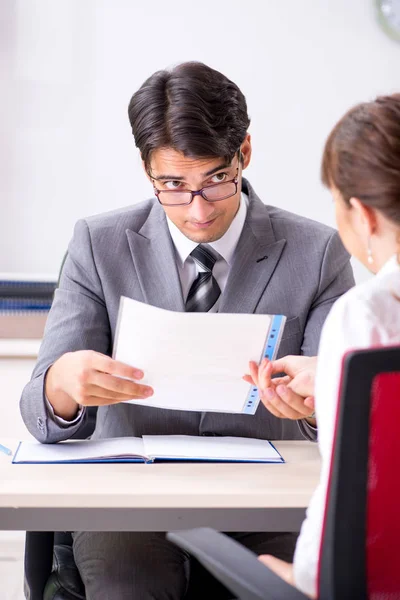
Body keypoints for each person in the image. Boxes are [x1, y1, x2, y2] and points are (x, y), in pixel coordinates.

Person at [20, 62, 354, 599]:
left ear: (243, 153)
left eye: (215, 181)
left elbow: (343, 415)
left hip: (266, 500)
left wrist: (315, 401)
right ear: (147, 170)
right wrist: (63, 387)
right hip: (129, 504)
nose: (197, 210)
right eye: (172, 185)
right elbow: (40, 411)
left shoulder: (316, 252)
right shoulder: (98, 244)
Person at [247, 93, 400, 598]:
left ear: (363, 214)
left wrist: (301, 578)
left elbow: (352, 498)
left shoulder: (367, 315)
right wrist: (331, 375)